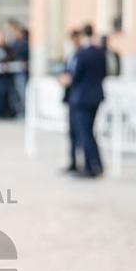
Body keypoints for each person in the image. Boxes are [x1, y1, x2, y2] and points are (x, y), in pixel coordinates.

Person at [64, 24, 106, 177]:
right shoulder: (100, 52)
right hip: (95, 97)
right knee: (89, 132)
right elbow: (104, 73)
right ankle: (97, 164)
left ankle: (90, 166)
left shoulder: (81, 54)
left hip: (81, 99)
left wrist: (66, 80)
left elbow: (74, 76)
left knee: (84, 133)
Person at [59, 29, 82, 172]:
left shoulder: (84, 55)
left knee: (82, 132)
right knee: (72, 132)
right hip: (71, 98)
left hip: (81, 99)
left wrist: (71, 79)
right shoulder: (71, 56)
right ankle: (73, 161)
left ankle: (84, 162)